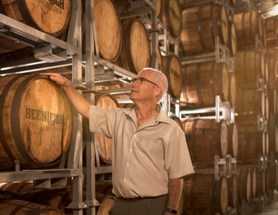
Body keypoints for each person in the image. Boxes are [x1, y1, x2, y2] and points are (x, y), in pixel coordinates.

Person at [41, 68, 194, 215]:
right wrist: (67, 85)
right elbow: (87, 110)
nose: (133, 83)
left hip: (151, 206)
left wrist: (171, 210)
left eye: (140, 80)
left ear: (156, 90)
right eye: (134, 80)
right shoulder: (119, 117)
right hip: (120, 204)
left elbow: (176, 176)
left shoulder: (171, 130)